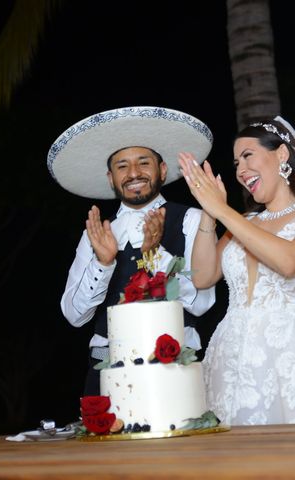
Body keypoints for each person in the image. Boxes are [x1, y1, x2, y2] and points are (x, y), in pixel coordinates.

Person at [178, 116, 295, 425]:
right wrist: (210, 215)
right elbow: (202, 276)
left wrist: (224, 211)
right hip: (232, 356)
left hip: (294, 354)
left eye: (248, 156)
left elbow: (290, 262)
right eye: (236, 162)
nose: (240, 170)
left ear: (281, 154)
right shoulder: (244, 222)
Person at [48, 106, 217, 396]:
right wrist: (103, 264)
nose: (133, 173)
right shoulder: (97, 233)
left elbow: (201, 302)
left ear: (162, 170)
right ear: (111, 178)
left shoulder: (192, 219)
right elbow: (74, 316)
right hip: (104, 365)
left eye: (143, 162)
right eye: (122, 166)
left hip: (174, 363)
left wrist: (155, 256)